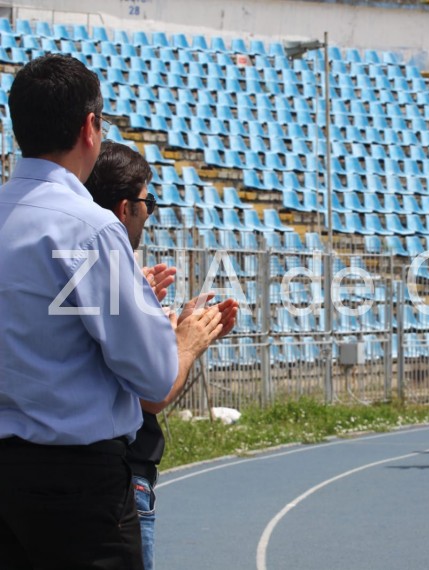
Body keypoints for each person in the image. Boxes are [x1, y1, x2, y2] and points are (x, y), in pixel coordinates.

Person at [0, 54, 176, 569]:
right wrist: (177, 335)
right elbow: (153, 374)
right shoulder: (91, 228)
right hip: (78, 487)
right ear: (90, 127)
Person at [84, 141, 239, 569]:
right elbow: (152, 394)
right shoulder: (107, 271)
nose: (150, 213)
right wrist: (188, 342)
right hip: (119, 474)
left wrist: (163, 322)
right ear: (123, 208)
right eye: (147, 202)